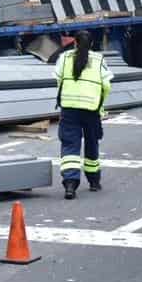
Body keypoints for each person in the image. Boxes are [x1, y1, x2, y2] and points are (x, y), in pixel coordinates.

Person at [54, 31, 113, 199]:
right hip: (91, 109)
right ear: (92, 44)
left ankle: (70, 185)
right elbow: (107, 85)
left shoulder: (64, 58)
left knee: (70, 146)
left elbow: (58, 80)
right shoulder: (99, 60)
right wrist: (100, 105)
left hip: (69, 108)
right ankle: (94, 182)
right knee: (92, 144)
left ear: (74, 43)